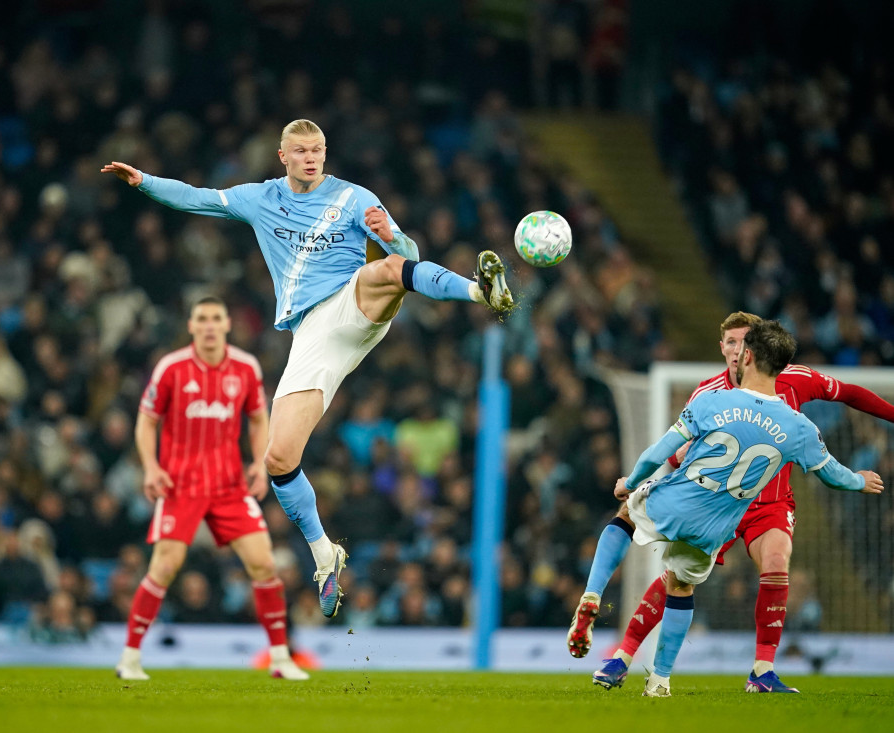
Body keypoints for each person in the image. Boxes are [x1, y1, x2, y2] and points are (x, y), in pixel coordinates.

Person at [102, 118, 514, 617]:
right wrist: (143, 181)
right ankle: (324, 554)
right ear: (283, 156)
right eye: (301, 151)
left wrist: (393, 237)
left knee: (387, 270)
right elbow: (197, 197)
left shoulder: (355, 197)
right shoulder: (260, 198)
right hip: (313, 336)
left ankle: (481, 291)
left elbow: (407, 256)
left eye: (318, 149)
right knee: (278, 458)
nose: (312, 157)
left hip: (351, 301)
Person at [565, 319, 883, 697]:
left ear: (748, 355)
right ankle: (659, 679)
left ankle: (593, 595)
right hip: (719, 521)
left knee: (626, 517)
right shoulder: (800, 427)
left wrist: (630, 482)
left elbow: (660, 454)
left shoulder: (711, 400)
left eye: (741, 344)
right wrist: (860, 480)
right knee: (681, 585)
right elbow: (832, 475)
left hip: (705, 500)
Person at [115, 297, 308, 681]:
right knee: (164, 567)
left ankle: (281, 658)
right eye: (201, 319)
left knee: (265, 565)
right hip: (181, 485)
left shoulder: (245, 367)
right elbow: (146, 420)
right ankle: (130, 658)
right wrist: (151, 467)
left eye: (215, 318)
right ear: (191, 326)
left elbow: (258, 419)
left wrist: (259, 464)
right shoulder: (171, 368)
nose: (208, 325)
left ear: (226, 324)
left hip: (229, 486)